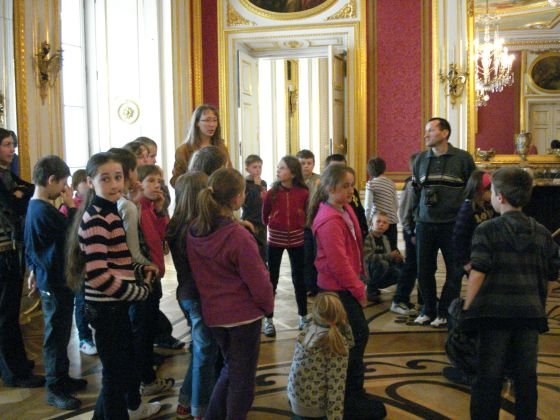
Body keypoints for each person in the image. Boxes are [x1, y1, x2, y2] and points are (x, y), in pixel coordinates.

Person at [66, 152, 161, 419]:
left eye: (118, 177)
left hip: (114, 307)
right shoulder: (98, 218)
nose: (114, 184)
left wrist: (139, 269)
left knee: (118, 374)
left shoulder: (110, 211)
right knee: (114, 378)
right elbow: (98, 276)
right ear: (90, 182)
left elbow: (116, 260)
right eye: (105, 179)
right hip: (106, 309)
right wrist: (139, 292)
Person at [462, 167, 560, 420]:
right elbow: (553, 275)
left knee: (488, 377)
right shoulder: (542, 232)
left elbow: (478, 272)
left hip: (493, 314)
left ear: (500, 197)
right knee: (526, 378)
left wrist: (468, 309)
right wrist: (538, 301)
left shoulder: (487, 229)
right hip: (529, 315)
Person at [187, 168, 274, 418]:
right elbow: (258, 280)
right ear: (237, 198)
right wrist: (268, 307)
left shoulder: (195, 230)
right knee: (242, 380)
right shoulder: (238, 236)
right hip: (243, 316)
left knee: (231, 369)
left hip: (214, 314)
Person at [309, 164, 386, 419]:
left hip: (346, 285)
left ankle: (353, 393)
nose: (351, 190)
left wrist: (360, 276)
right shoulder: (329, 220)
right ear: (330, 188)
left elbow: (354, 247)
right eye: (345, 186)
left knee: (354, 339)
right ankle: (349, 398)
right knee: (354, 339)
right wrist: (359, 290)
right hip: (336, 289)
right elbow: (338, 263)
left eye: (352, 185)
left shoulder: (345, 209)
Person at [25, 156, 87, 410]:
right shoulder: (43, 210)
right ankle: (54, 388)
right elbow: (73, 232)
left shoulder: (35, 208)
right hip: (53, 280)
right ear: (51, 180)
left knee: (61, 333)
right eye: (62, 183)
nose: (64, 189)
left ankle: (62, 378)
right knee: (56, 336)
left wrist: (32, 269)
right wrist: (71, 205)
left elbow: (30, 245)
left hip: (53, 277)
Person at [412, 117, 475, 327]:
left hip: (453, 225)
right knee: (423, 270)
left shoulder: (463, 159)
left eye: (430, 130)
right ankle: (428, 309)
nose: (426, 135)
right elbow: (415, 193)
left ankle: (445, 311)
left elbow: (472, 190)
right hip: (425, 223)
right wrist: (413, 222)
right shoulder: (420, 160)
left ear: (445, 133)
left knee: (455, 271)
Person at [167, 171, 218, 420]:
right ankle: (199, 408)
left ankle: (187, 401)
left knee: (202, 349)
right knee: (204, 353)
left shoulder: (176, 223)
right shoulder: (197, 227)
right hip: (199, 295)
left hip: (187, 294)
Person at [0, 128, 43, 389]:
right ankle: (13, 370)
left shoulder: (6, 174)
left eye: (13, 144)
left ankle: (16, 363)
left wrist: (21, 194)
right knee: (6, 313)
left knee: (10, 312)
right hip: (3, 252)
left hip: (10, 250)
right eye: (6, 144)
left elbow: (28, 190)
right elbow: (13, 204)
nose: (12, 149)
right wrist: (19, 196)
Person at [134, 164, 176, 395]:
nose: (157, 185)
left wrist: (160, 211)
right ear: (138, 183)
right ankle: (145, 380)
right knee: (142, 328)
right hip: (144, 277)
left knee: (148, 326)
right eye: (151, 181)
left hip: (154, 275)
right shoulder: (135, 209)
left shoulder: (150, 208)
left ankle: (146, 368)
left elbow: (162, 237)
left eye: (159, 181)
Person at [262, 156, 309, 337]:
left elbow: (307, 211)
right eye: (278, 167)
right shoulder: (272, 193)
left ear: (293, 172)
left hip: (297, 239)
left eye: (282, 168)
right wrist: (274, 223)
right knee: (271, 279)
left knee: (299, 279)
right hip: (275, 240)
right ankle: (268, 319)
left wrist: (300, 222)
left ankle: (303, 316)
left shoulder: (303, 192)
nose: (278, 170)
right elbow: (264, 215)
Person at [287, 292, 354, 419]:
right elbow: (336, 386)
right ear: (342, 314)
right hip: (315, 406)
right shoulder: (336, 344)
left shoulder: (308, 328)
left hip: (294, 397)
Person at [58, 169, 97, 356]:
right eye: (85, 182)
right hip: (78, 262)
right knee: (81, 302)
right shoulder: (67, 208)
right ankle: (84, 337)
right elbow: (69, 234)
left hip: (92, 260)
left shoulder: (93, 204)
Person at [170, 104, 232, 186]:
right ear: (197, 123)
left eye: (215, 120)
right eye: (207, 120)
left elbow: (230, 172)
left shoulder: (221, 147)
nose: (212, 125)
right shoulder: (183, 150)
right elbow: (176, 180)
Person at [391, 153, 420, 316]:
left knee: (421, 266)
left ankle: (423, 299)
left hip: (419, 230)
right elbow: (404, 212)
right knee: (411, 266)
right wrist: (410, 231)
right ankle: (399, 299)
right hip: (413, 231)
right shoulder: (411, 184)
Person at [363, 211, 403, 304]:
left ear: (388, 226)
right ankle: (371, 289)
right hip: (367, 270)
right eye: (378, 221)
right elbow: (368, 257)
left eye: (385, 222)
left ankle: (376, 286)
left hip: (381, 268)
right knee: (383, 264)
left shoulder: (385, 239)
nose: (381, 224)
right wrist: (389, 256)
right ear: (372, 223)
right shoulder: (367, 238)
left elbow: (388, 258)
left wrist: (396, 258)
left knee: (400, 272)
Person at [325, 154, 368, 239]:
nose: (341, 174)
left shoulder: (353, 191)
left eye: (343, 169)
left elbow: (360, 211)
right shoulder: (324, 196)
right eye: (336, 170)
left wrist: (364, 232)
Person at [364, 156, 399, 250]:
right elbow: (396, 204)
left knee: (378, 250)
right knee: (392, 249)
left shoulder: (371, 184)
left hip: (378, 223)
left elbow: (368, 206)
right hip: (392, 222)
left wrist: (366, 223)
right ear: (384, 168)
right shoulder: (391, 183)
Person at [241, 154, 268, 262]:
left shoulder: (263, 183)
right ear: (247, 169)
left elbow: (264, 200)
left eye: (260, 167)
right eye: (254, 167)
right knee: (251, 248)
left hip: (261, 220)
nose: (258, 170)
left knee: (263, 250)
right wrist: (256, 187)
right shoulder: (244, 184)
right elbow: (247, 202)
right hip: (249, 219)